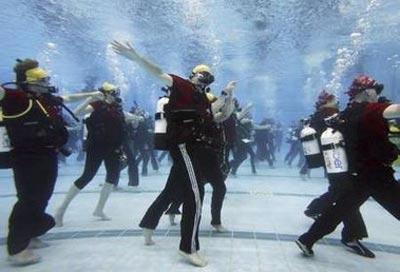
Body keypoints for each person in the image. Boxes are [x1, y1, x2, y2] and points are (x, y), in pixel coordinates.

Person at [112, 40, 236, 267]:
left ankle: (148, 225)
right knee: (196, 195)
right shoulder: (182, 85)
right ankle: (188, 248)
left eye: (208, 78)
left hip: (194, 150)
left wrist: (228, 95)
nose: (204, 80)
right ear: (192, 75)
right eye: (201, 75)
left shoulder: (201, 100)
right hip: (184, 147)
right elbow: (158, 72)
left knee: (171, 191)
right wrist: (136, 57)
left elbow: (219, 115)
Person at [1, 58, 100, 266]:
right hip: (27, 158)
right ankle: (17, 249)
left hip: (48, 155)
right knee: (29, 200)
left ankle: (32, 235)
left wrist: (91, 94)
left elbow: (68, 97)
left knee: (42, 198)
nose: (47, 84)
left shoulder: (45, 99)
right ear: (29, 82)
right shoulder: (16, 98)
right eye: (43, 80)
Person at [296, 75, 400, 258]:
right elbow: (394, 111)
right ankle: (313, 237)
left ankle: (307, 239)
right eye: (376, 90)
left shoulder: (346, 113)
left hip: (357, 173)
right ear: (367, 91)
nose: (377, 95)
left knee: (340, 210)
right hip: (377, 174)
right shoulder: (370, 110)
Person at [54, 82, 142, 226]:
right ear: (105, 93)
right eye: (114, 93)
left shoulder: (117, 107)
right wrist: (90, 98)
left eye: (117, 93)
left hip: (113, 147)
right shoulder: (96, 105)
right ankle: (61, 209)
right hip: (97, 146)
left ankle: (99, 209)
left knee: (112, 177)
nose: (117, 96)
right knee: (87, 176)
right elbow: (76, 113)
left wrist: (135, 117)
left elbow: (123, 115)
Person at [302, 90, 371, 257]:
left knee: (340, 193)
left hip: (333, 163)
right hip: (337, 162)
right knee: (346, 197)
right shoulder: (329, 115)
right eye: (333, 99)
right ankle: (351, 236)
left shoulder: (317, 116)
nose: (336, 101)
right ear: (327, 102)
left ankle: (314, 210)